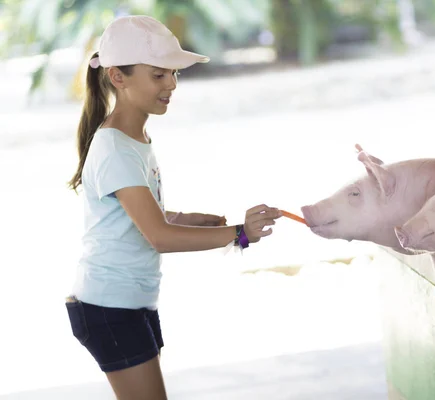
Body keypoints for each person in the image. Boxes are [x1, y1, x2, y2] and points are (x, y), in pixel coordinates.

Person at [64, 15, 282, 400]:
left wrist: (191, 220)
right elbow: (159, 236)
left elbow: (144, 219)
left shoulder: (135, 138)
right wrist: (239, 233)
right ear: (118, 77)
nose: (172, 85)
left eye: (173, 74)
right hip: (110, 307)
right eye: (159, 75)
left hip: (128, 302)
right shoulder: (115, 147)